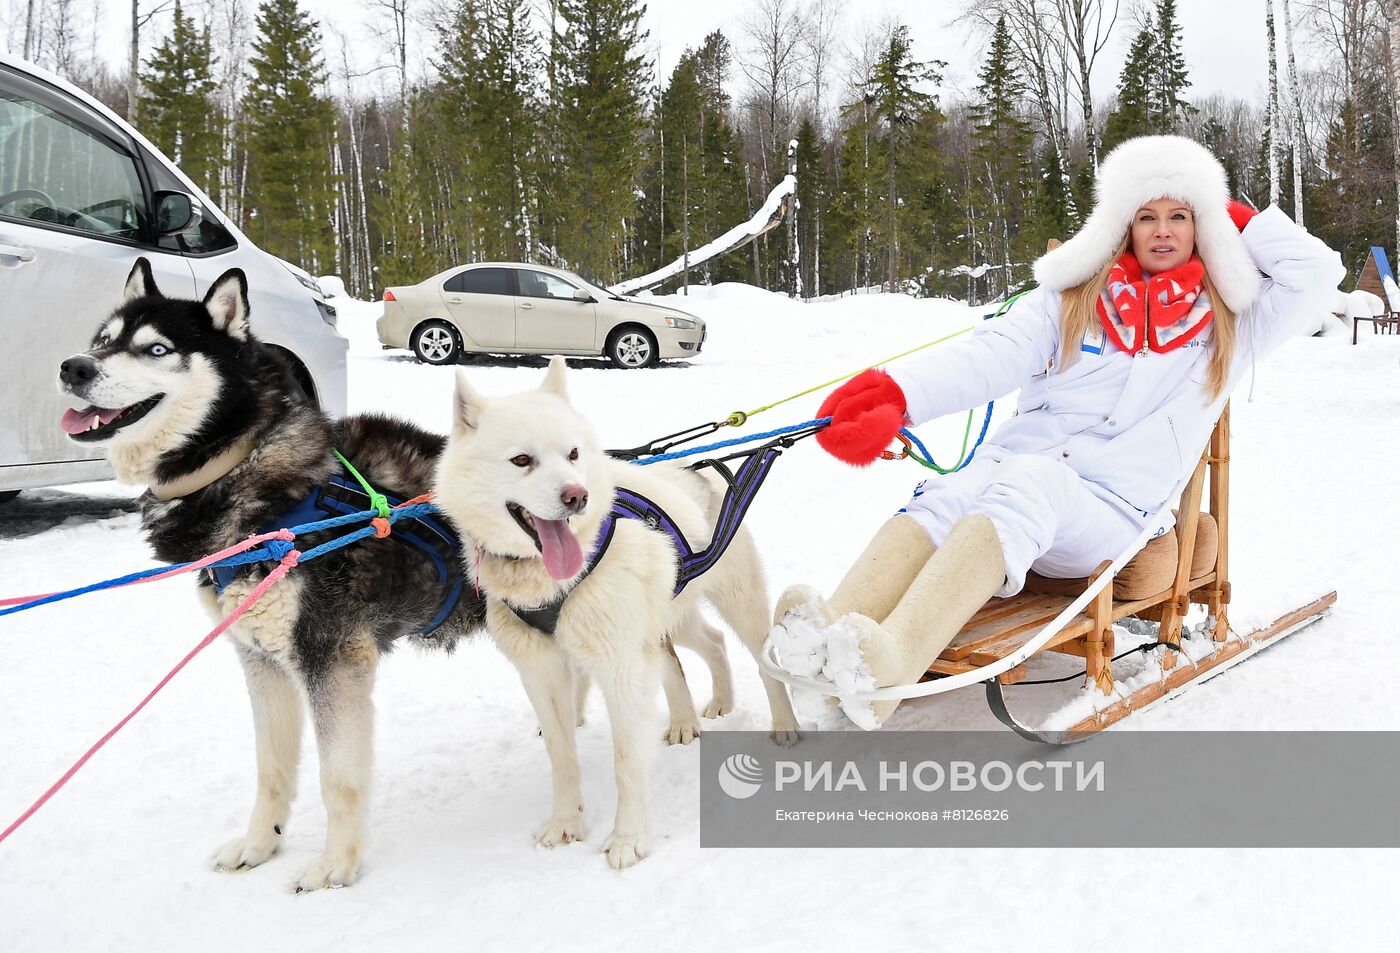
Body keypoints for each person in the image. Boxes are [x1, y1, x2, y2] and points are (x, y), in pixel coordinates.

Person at [769, 135, 1345, 729]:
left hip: (1110, 508)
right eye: (1146, 216)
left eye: (1181, 215)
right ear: (1122, 225)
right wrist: (896, 396)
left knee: (1032, 484)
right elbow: (989, 355)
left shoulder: (1233, 318)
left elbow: (1319, 271)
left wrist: (1230, 213)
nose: (1163, 231)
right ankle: (826, 634)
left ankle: (888, 668)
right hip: (1014, 471)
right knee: (950, 491)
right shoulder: (1071, 301)